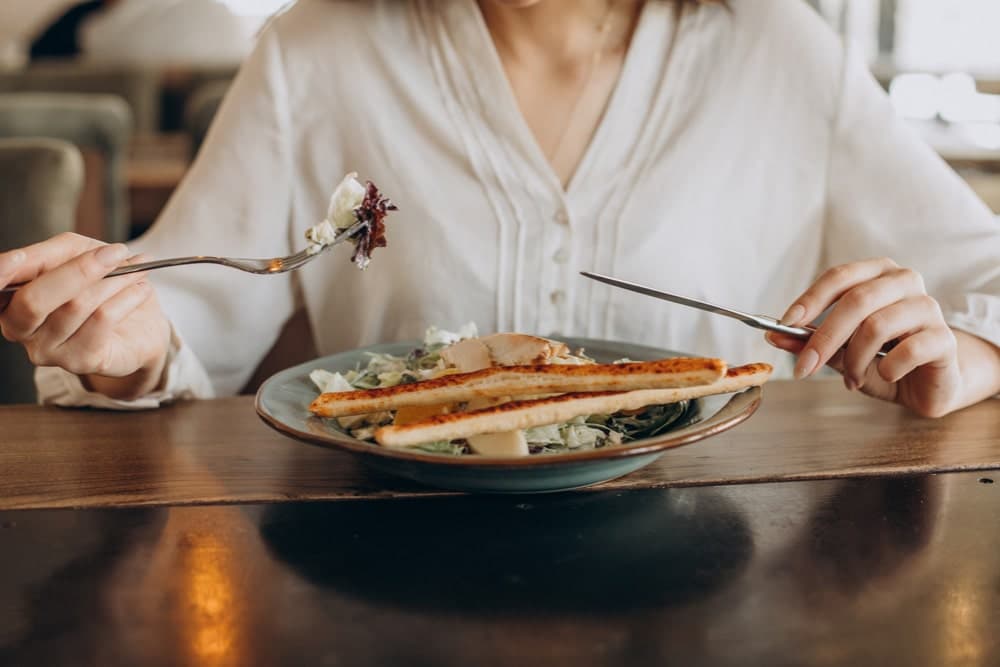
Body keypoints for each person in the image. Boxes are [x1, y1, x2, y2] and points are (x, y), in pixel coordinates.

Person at [0, 0, 998, 417]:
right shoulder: (317, 50)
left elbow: (984, 279)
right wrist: (123, 335)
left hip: (728, 558)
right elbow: (190, 324)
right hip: (384, 562)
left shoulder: (778, 47)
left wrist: (963, 354)